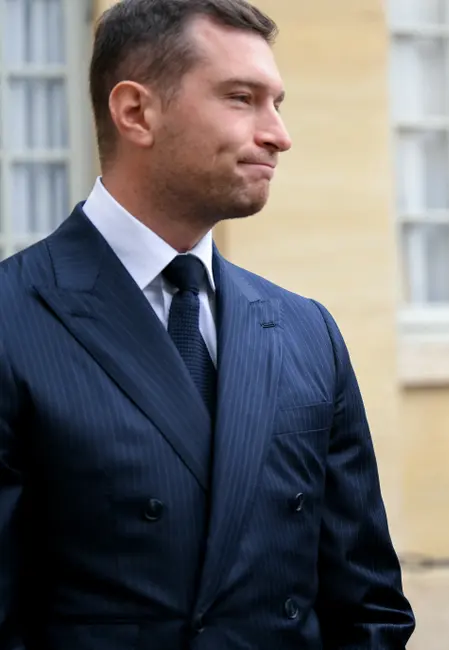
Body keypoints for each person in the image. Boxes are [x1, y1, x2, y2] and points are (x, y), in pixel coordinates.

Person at [0, 1, 414, 648]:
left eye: (277, 102)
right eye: (242, 98)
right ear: (136, 112)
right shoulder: (12, 317)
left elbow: (367, 604)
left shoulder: (308, 332)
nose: (278, 134)